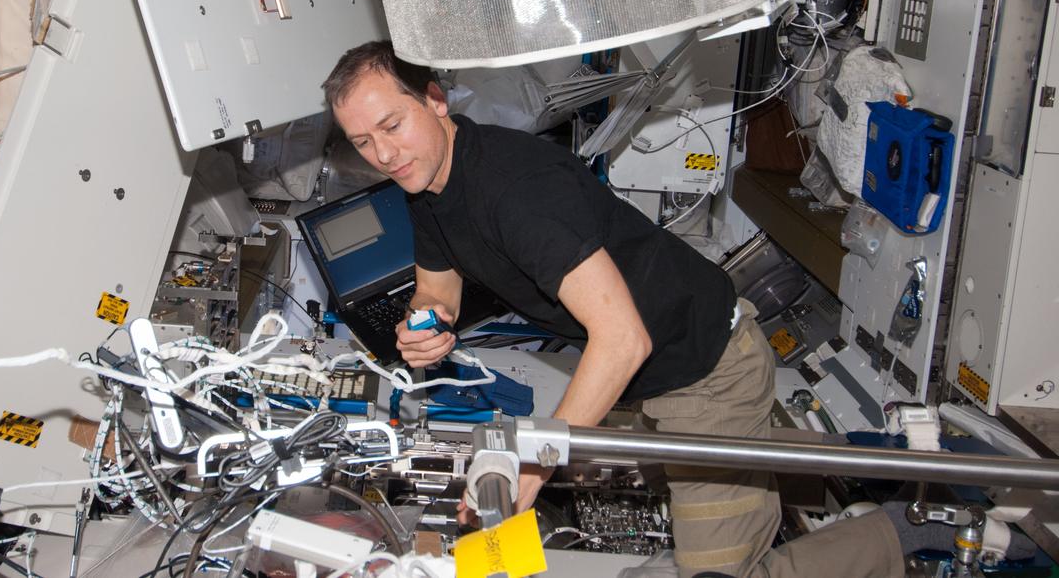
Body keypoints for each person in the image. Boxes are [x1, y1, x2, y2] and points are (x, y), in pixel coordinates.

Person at [323, 41, 907, 578]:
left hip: (707, 371)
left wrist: (535, 466)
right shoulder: (427, 182)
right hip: (660, 375)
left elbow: (623, 339)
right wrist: (427, 322)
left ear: (435, 100)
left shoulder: (515, 192)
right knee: (712, 466)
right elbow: (438, 288)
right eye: (363, 142)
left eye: (391, 126)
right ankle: (865, 468)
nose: (384, 154)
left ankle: (898, 534)